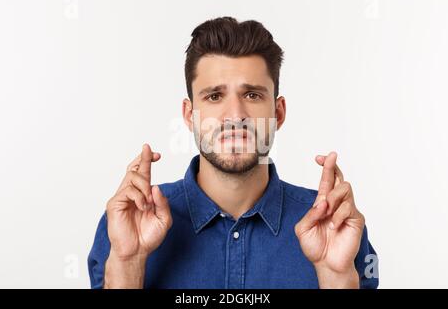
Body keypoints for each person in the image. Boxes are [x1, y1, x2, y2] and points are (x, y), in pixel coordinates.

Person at [88, 17, 378, 289]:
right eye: (214, 96)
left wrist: (336, 276)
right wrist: (128, 265)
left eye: (252, 95)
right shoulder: (127, 224)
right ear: (190, 115)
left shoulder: (335, 226)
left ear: (278, 112)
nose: (235, 115)